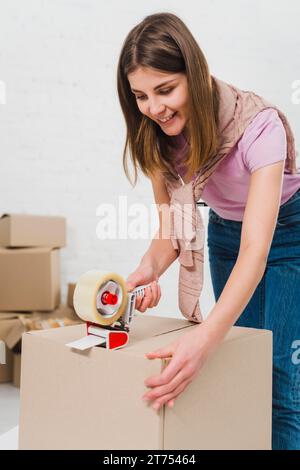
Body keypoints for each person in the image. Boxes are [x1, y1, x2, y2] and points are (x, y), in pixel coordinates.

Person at [116, 12, 300, 449]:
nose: (154, 108)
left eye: (165, 89)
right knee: (243, 364)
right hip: (225, 233)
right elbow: (172, 232)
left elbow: (257, 250)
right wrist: (148, 269)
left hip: (290, 232)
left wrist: (204, 339)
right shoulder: (158, 136)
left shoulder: (259, 127)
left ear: (194, 75)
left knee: (278, 374)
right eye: (140, 96)